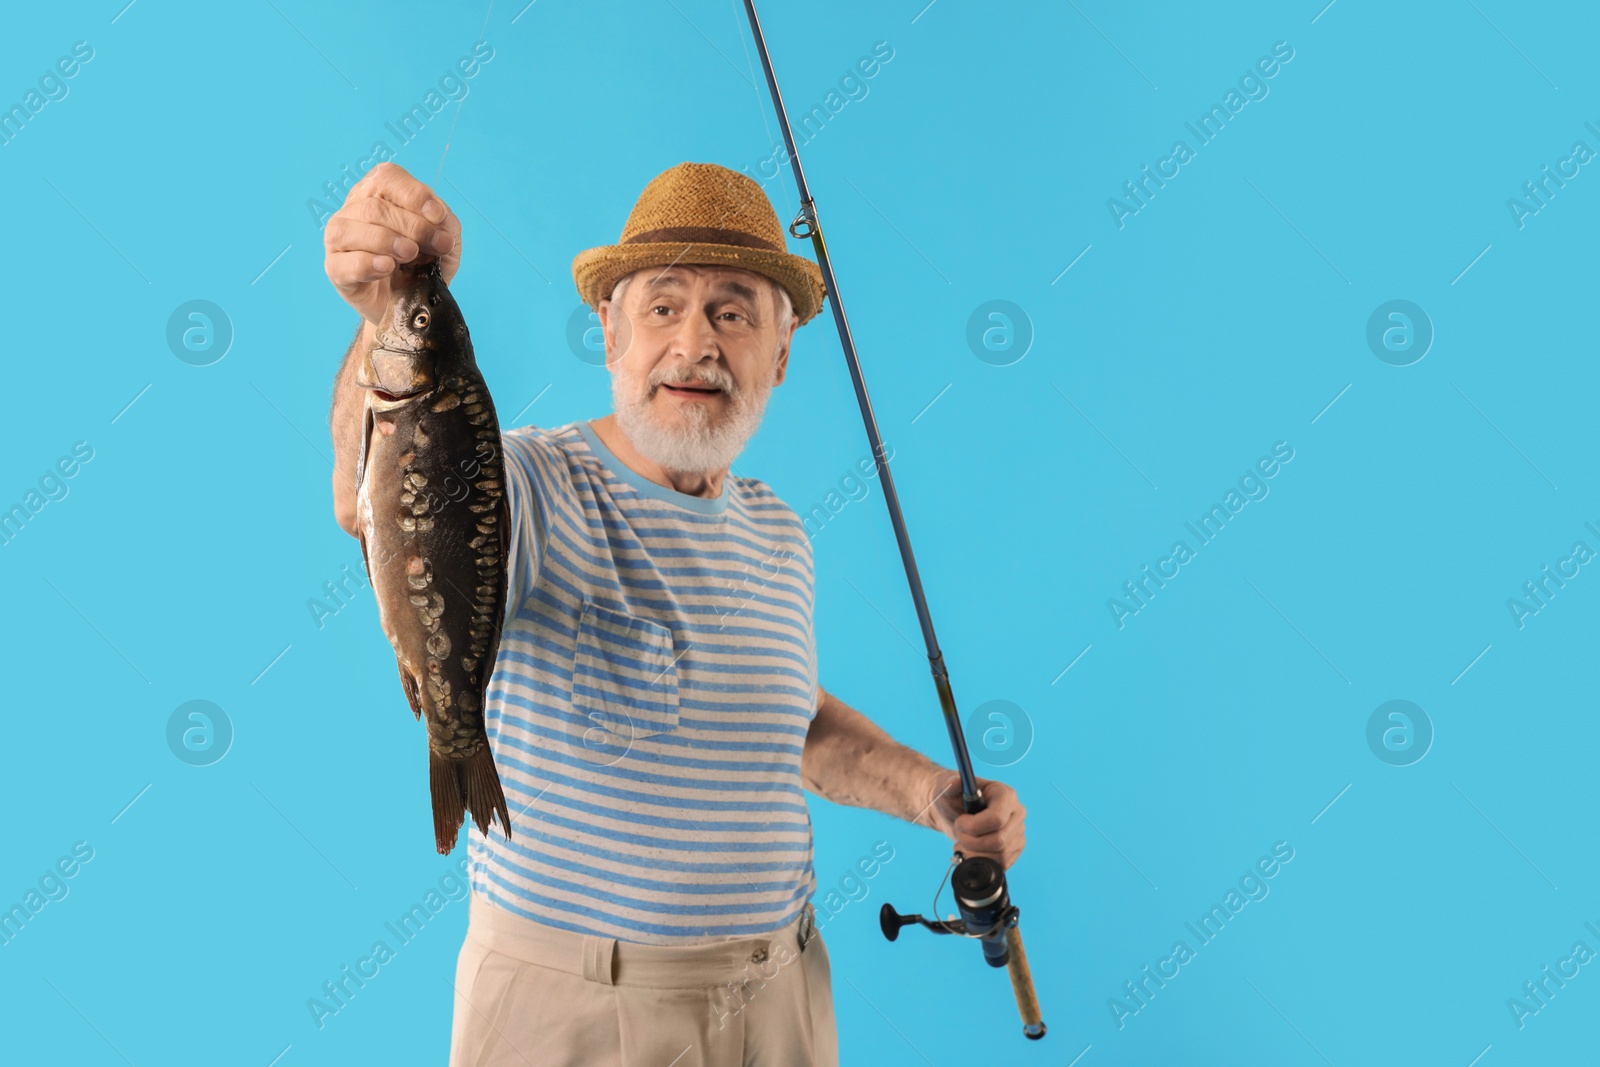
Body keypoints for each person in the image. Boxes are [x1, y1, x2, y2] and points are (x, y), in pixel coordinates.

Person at [323, 160, 1028, 1066]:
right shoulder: (535, 482)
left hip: (782, 1002)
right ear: (610, 334)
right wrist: (384, 310)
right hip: (573, 1013)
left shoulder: (779, 532)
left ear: (779, 352)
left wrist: (934, 794)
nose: (695, 343)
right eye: (662, 306)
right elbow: (374, 495)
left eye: (733, 311)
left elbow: (794, 724)